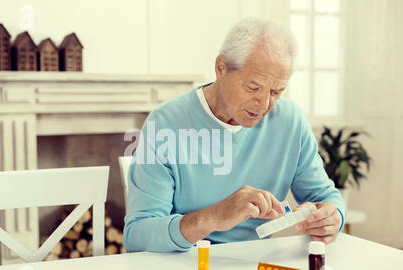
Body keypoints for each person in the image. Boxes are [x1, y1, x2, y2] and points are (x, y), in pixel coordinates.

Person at [123, 18, 346, 253]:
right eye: (253, 87)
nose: (264, 104)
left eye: (276, 91)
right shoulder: (165, 124)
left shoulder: (290, 122)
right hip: (185, 269)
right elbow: (137, 236)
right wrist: (212, 217)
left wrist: (332, 217)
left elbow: (326, 197)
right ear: (221, 67)